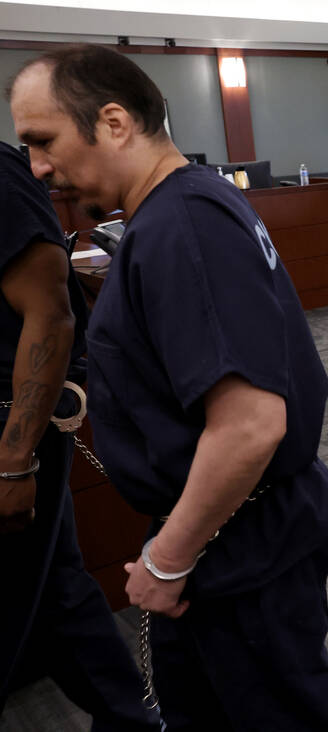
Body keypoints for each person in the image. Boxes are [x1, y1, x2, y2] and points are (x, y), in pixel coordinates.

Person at [10, 45, 328, 731]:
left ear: (114, 123)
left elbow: (249, 424)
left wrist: (168, 559)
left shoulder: (185, 225)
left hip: (239, 539)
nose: (36, 168)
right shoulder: (181, 208)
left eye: (43, 141)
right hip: (221, 528)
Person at [0, 141, 160, 729]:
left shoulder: (0, 173)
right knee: (56, 592)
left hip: (11, 430)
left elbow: (52, 312)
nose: (44, 160)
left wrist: (14, 462)